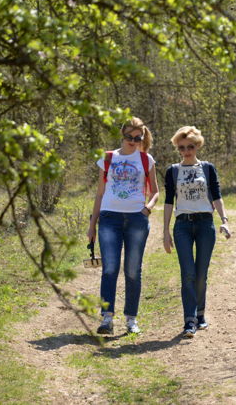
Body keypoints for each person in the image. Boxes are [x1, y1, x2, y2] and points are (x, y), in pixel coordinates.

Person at [86, 117, 159, 335]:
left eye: (138, 137)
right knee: (109, 268)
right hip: (109, 218)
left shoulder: (146, 159)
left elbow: (155, 191)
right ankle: (107, 319)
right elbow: (99, 193)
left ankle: (131, 319)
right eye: (129, 136)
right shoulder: (108, 158)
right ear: (122, 134)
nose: (133, 141)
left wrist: (148, 208)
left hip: (136, 219)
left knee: (133, 270)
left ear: (142, 137)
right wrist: (92, 226)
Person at [163, 126, 231, 338]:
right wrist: (165, 231)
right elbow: (168, 202)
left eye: (190, 146)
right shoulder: (173, 171)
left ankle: (200, 314)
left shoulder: (208, 168)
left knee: (201, 274)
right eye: (182, 147)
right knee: (188, 274)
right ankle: (189, 320)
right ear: (178, 148)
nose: (186, 151)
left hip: (205, 224)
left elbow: (217, 195)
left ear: (197, 145)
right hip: (182, 225)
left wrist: (225, 220)